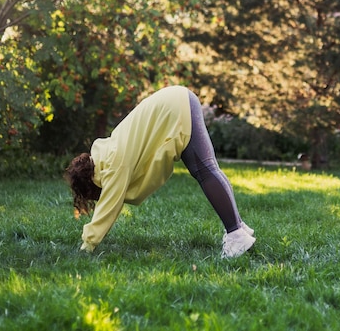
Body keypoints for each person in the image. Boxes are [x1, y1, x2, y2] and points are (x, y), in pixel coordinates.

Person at [65, 85, 255, 258]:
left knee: (204, 171)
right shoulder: (107, 154)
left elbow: (109, 207)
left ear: (90, 184)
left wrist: (87, 246)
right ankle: (237, 227)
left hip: (175, 109)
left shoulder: (113, 164)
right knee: (207, 169)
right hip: (179, 100)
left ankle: (236, 234)